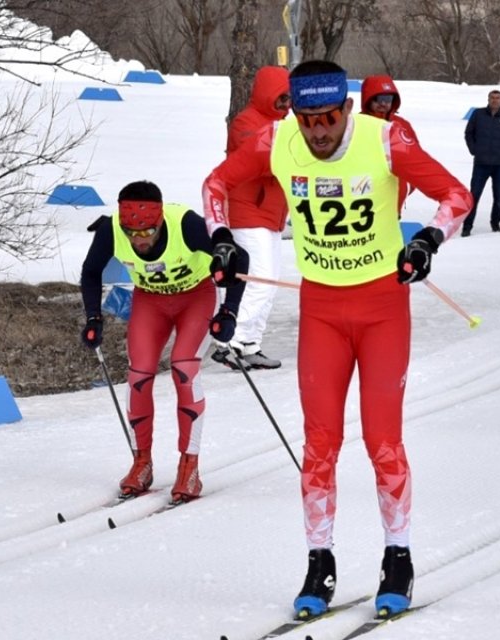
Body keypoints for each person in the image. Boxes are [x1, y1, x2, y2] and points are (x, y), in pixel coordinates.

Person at [201, 60, 471, 619]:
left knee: (382, 442)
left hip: (380, 310)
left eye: (328, 118)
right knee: (318, 445)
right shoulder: (277, 140)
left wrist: (425, 240)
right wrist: (222, 239)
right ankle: (318, 562)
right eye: (307, 120)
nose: (318, 132)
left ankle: (398, 557)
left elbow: (455, 195)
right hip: (321, 310)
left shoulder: (384, 137)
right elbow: (215, 185)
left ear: (347, 109)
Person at [79, 180, 248, 504]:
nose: (139, 240)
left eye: (147, 232)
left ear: (159, 221)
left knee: (183, 367)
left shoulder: (185, 224)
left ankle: (189, 466)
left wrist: (228, 312)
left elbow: (241, 259)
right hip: (151, 302)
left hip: (196, 298)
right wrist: (93, 317)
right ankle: (142, 462)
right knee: (138, 374)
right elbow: (91, 271)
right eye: (132, 234)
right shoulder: (112, 229)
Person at [211, 65, 292, 372]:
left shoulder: (283, 126)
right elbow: (260, 159)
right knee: (258, 280)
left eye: (288, 99)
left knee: (269, 282)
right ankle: (229, 341)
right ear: (266, 94)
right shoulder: (247, 122)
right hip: (248, 213)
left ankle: (250, 344)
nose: (285, 106)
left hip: (270, 215)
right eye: (280, 99)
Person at [360, 74, 419, 214]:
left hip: (394, 198)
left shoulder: (402, 125)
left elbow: (416, 159)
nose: (383, 103)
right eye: (378, 99)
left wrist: (406, 187)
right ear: (368, 99)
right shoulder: (356, 124)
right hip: (363, 194)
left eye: (388, 99)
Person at [462, 89, 500, 236]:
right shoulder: (478, 114)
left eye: (498, 98)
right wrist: (474, 150)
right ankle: (467, 226)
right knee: (474, 195)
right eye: (492, 97)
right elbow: (468, 133)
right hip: (481, 163)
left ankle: (495, 223)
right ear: (488, 99)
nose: (495, 100)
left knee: (499, 195)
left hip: (499, 164)